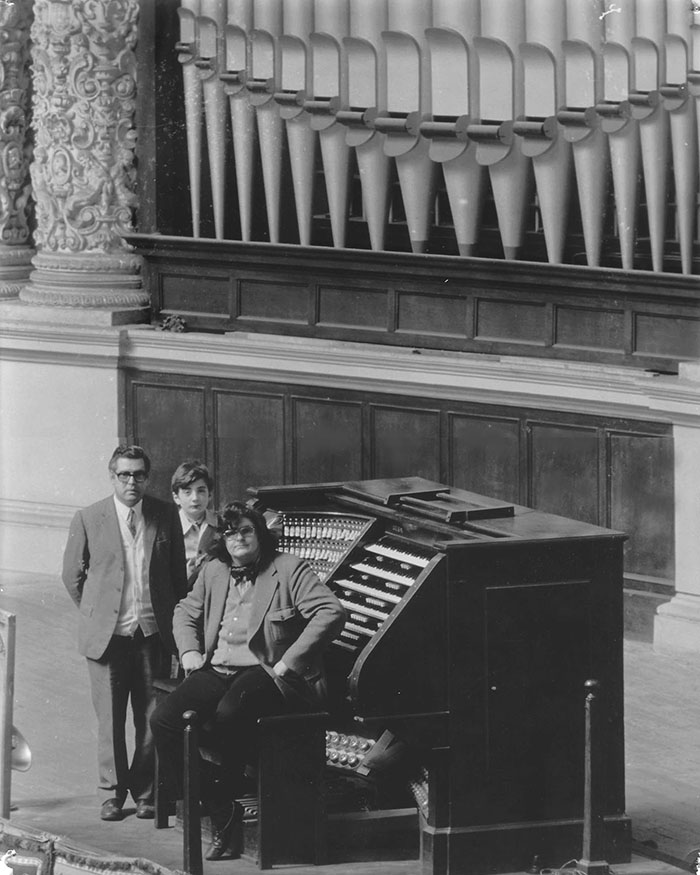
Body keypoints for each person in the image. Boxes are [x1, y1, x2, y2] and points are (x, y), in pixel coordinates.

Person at [150, 501, 346, 861]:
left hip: (266, 671)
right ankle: (222, 805)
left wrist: (290, 661)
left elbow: (330, 612)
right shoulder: (214, 569)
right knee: (162, 720)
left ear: (258, 533)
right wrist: (190, 650)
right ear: (222, 539)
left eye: (245, 530)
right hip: (217, 667)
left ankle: (223, 810)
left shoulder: (288, 568)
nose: (238, 538)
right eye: (230, 532)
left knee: (228, 716)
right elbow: (184, 612)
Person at [62, 445, 188, 822]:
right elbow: (72, 577)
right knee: (111, 720)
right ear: (112, 476)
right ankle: (112, 794)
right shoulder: (88, 518)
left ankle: (146, 791)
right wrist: (98, 614)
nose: (132, 481)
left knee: (151, 718)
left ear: (147, 478)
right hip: (108, 639)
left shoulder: (165, 515)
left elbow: (178, 578)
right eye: (124, 475)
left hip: (153, 635)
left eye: (138, 475)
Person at [170, 460, 219, 587]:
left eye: (201, 491)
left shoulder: (221, 525)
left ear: (210, 495)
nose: (195, 498)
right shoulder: (168, 528)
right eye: (187, 492)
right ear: (176, 497)